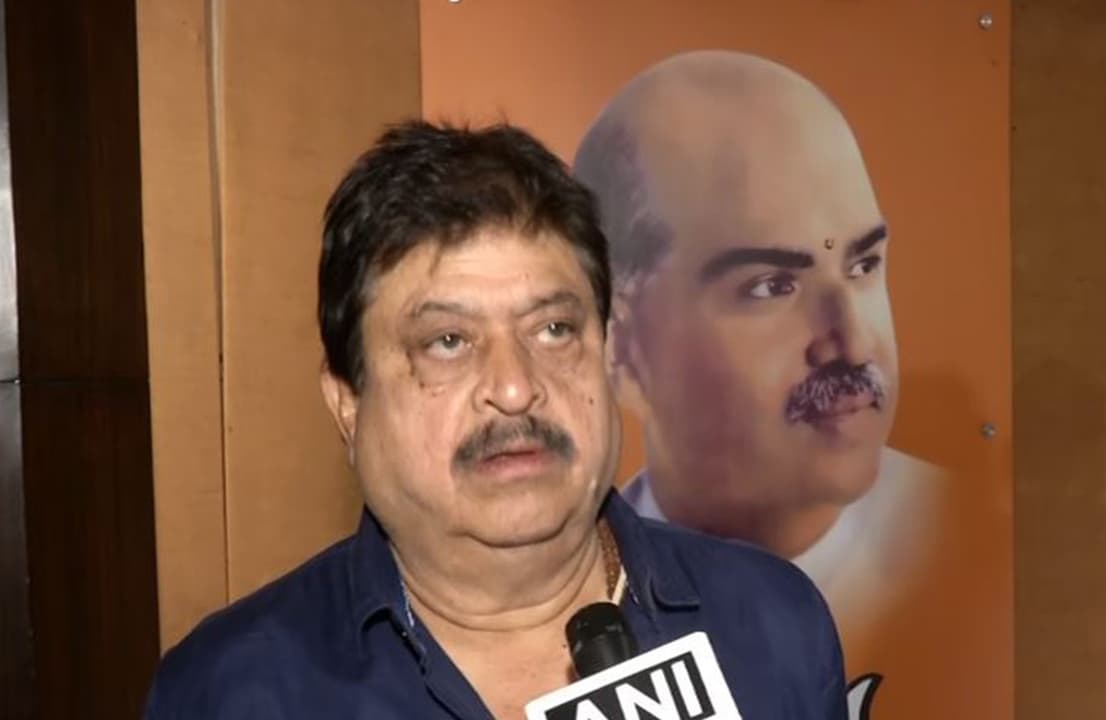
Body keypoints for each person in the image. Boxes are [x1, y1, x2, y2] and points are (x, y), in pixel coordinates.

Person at [144, 120, 846, 718]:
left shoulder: (770, 623)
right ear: (347, 404)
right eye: (448, 341)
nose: (515, 389)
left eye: (554, 330)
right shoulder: (232, 690)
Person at [573, 50, 946, 638]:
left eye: (863, 265)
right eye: (773, 286)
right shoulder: (574, 605)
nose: (852, 343)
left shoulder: (957, 536)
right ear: (618, 343)